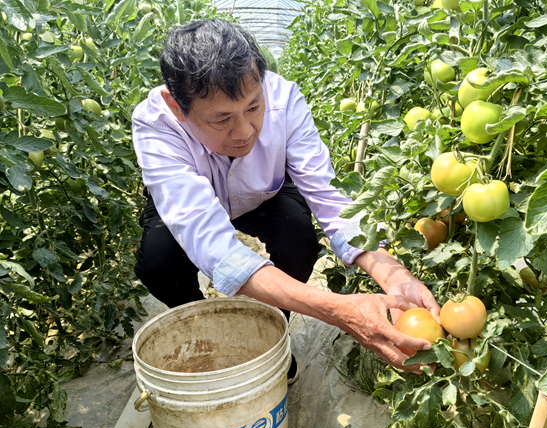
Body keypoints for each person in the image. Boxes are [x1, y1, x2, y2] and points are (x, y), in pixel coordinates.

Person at [132, 19, 441, 383]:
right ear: (176, 106)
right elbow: (210, 242)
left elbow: (330, 199)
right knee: (158, 264)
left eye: (253, 107)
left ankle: (271, 333)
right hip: (194, 204)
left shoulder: (284, 99)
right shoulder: (156, 123)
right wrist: (339, 310)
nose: (245, 132)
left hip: (265, 194)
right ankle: (209, 332)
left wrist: (395, 275)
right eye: (222, 119)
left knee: (298, 238)